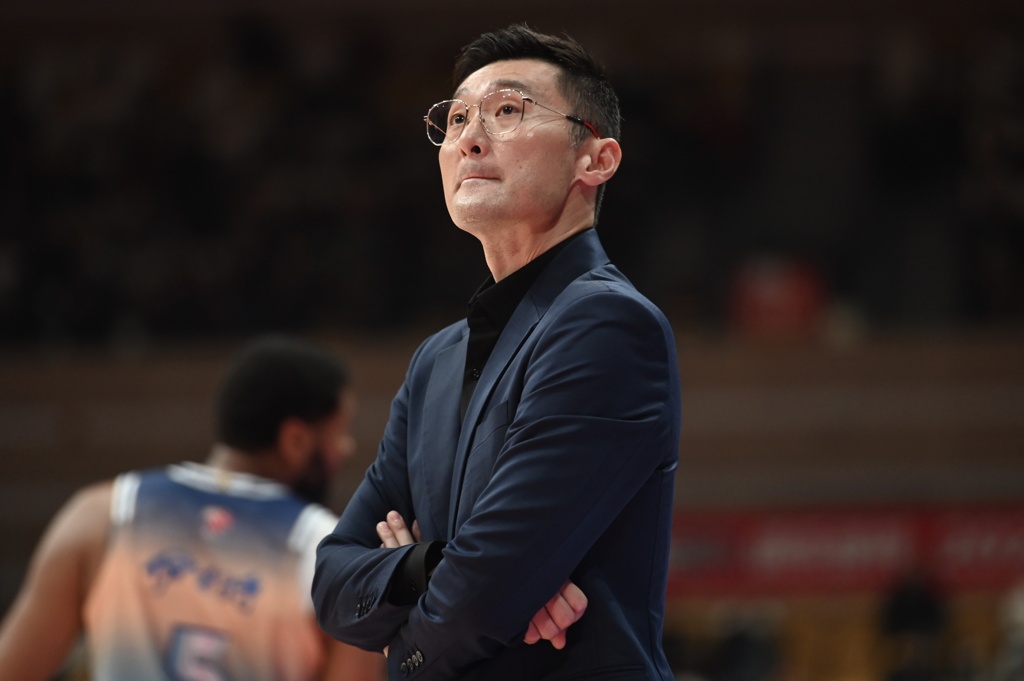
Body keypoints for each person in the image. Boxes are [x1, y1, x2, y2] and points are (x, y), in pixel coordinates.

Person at [312, 23, 682, 681]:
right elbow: (333, 581)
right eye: (456, 119)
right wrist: (434, 564)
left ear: (596, 159)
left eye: (508, 110)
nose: (470, 137)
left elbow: (485, 591)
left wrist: (405, 639)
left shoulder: (609, 324)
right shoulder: (435, 360)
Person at [0, 335, 385, 681]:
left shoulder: (103, 515)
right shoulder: (331, 552)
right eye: (339, 433)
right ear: (295, 440)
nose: (346, 449)